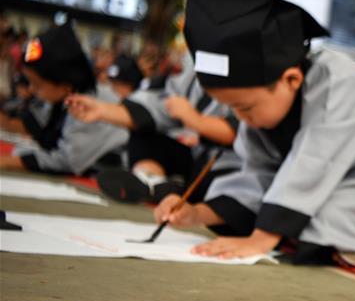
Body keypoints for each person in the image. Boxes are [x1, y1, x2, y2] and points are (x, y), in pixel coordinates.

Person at [152, 0, 355, 267]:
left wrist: (260, 239)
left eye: (244, 107)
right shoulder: (262, 114)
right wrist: (197, 213)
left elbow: (315, 162)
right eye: (232, 109)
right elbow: (258, 176)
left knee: (310, 224)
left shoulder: (340, 82)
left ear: (291, 79)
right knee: (275, 214)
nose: (241, 118)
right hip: (342, 175)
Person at [67, 53, 239, 204]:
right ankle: (151, 181)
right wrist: (101, 110)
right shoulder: (199, 61)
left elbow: (243, 129)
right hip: (194, 155)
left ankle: (168, 186)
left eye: (119, 84)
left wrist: (196, 121)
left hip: (231, 165)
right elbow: (161, 107)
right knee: (144, 135)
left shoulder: (245, 58)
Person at [0, 21, 127, 175]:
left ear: (65, 86)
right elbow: (37, 126)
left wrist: (8, 161)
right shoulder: (63, 97)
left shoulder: (88, 104)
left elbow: (67, 160)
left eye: (37, 85)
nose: (31, 89)